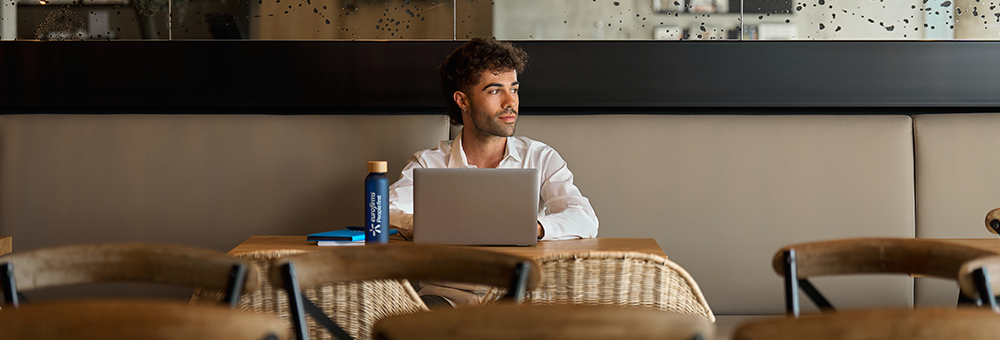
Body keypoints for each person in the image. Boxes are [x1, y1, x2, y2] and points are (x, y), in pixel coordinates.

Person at [387, 37, 599, 306]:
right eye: (495, 91)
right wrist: (437, 226)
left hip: (519, 299)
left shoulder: (539, 156)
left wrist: (533, 228)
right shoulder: (429, 163)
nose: (511, 102)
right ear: (462, 100)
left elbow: (584, 218)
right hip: (444, 299)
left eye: (514, 89)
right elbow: (388, 213)